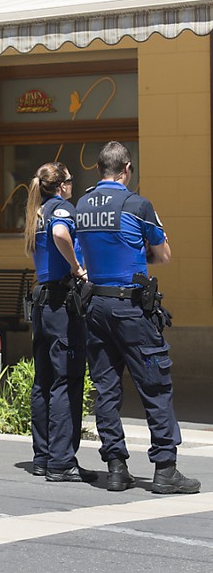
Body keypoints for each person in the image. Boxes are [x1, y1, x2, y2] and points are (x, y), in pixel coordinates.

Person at [75, 141, 199, 494]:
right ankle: (165, 469)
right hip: (130, 308)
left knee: (107, 389)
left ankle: (116, 468)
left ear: (100, 169)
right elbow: (163, 254)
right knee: (156, 386)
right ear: (127, 169)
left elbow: (82, 255)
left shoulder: (82, 206)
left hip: (95, 307)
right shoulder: (137, 204)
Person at [23, 162, 96, 483]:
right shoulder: (60, 209)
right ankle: (62, 462)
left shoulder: (36, 212)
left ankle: (43, 457)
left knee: (44, 381)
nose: (72, 186)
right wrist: (78, 268)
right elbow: (61, 233)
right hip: (60, 303)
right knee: (66, 380)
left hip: (42, 302)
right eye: (70, 181)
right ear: (63, 185)